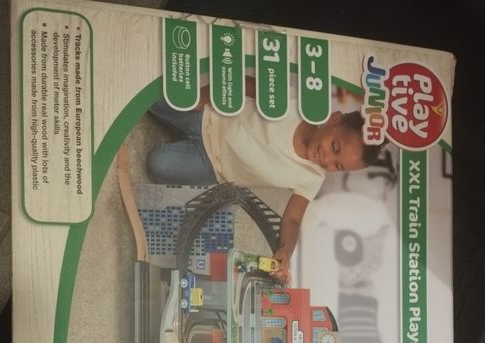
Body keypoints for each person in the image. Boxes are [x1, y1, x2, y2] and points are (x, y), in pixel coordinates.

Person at [146, 79, 383, 282]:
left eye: (337, 166)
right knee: (149, 95)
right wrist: (204, 96)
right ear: (334, 119)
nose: (327, 159)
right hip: (208, 113)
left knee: (157, 164)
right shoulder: (296, 104)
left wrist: (286, 250)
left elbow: (293, 218)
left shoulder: (313, 177)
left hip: (211, 165)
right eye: (334, 147)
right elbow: (246, 84)